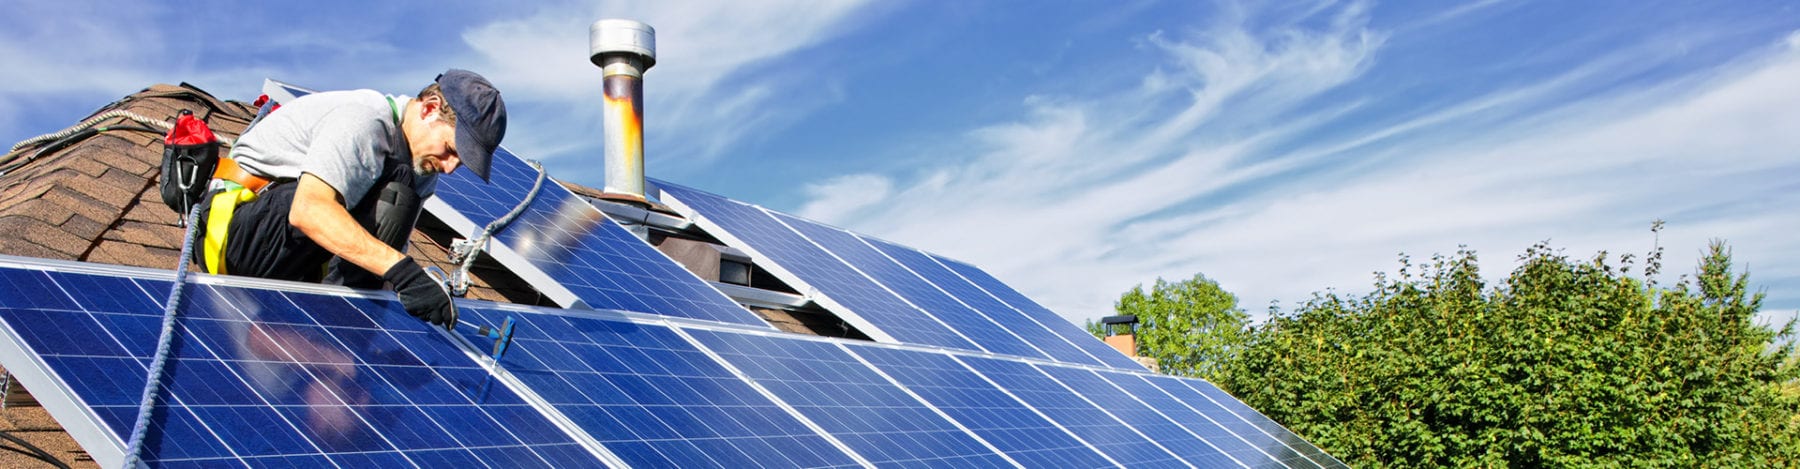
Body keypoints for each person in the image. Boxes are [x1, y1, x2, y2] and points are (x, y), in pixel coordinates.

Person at [193, 69, 506, 330]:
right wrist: (404, 273)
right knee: (383, 200)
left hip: (292, 254)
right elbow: (309, 210)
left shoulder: (419, 170)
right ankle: (331, 331)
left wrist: (406, 328)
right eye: (451, 150)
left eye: (460, 162)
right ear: (428, 109)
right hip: (236, 234)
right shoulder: (365, 119)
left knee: (400, 196)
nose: (451, 168)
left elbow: (386, 255)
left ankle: (338, 332)